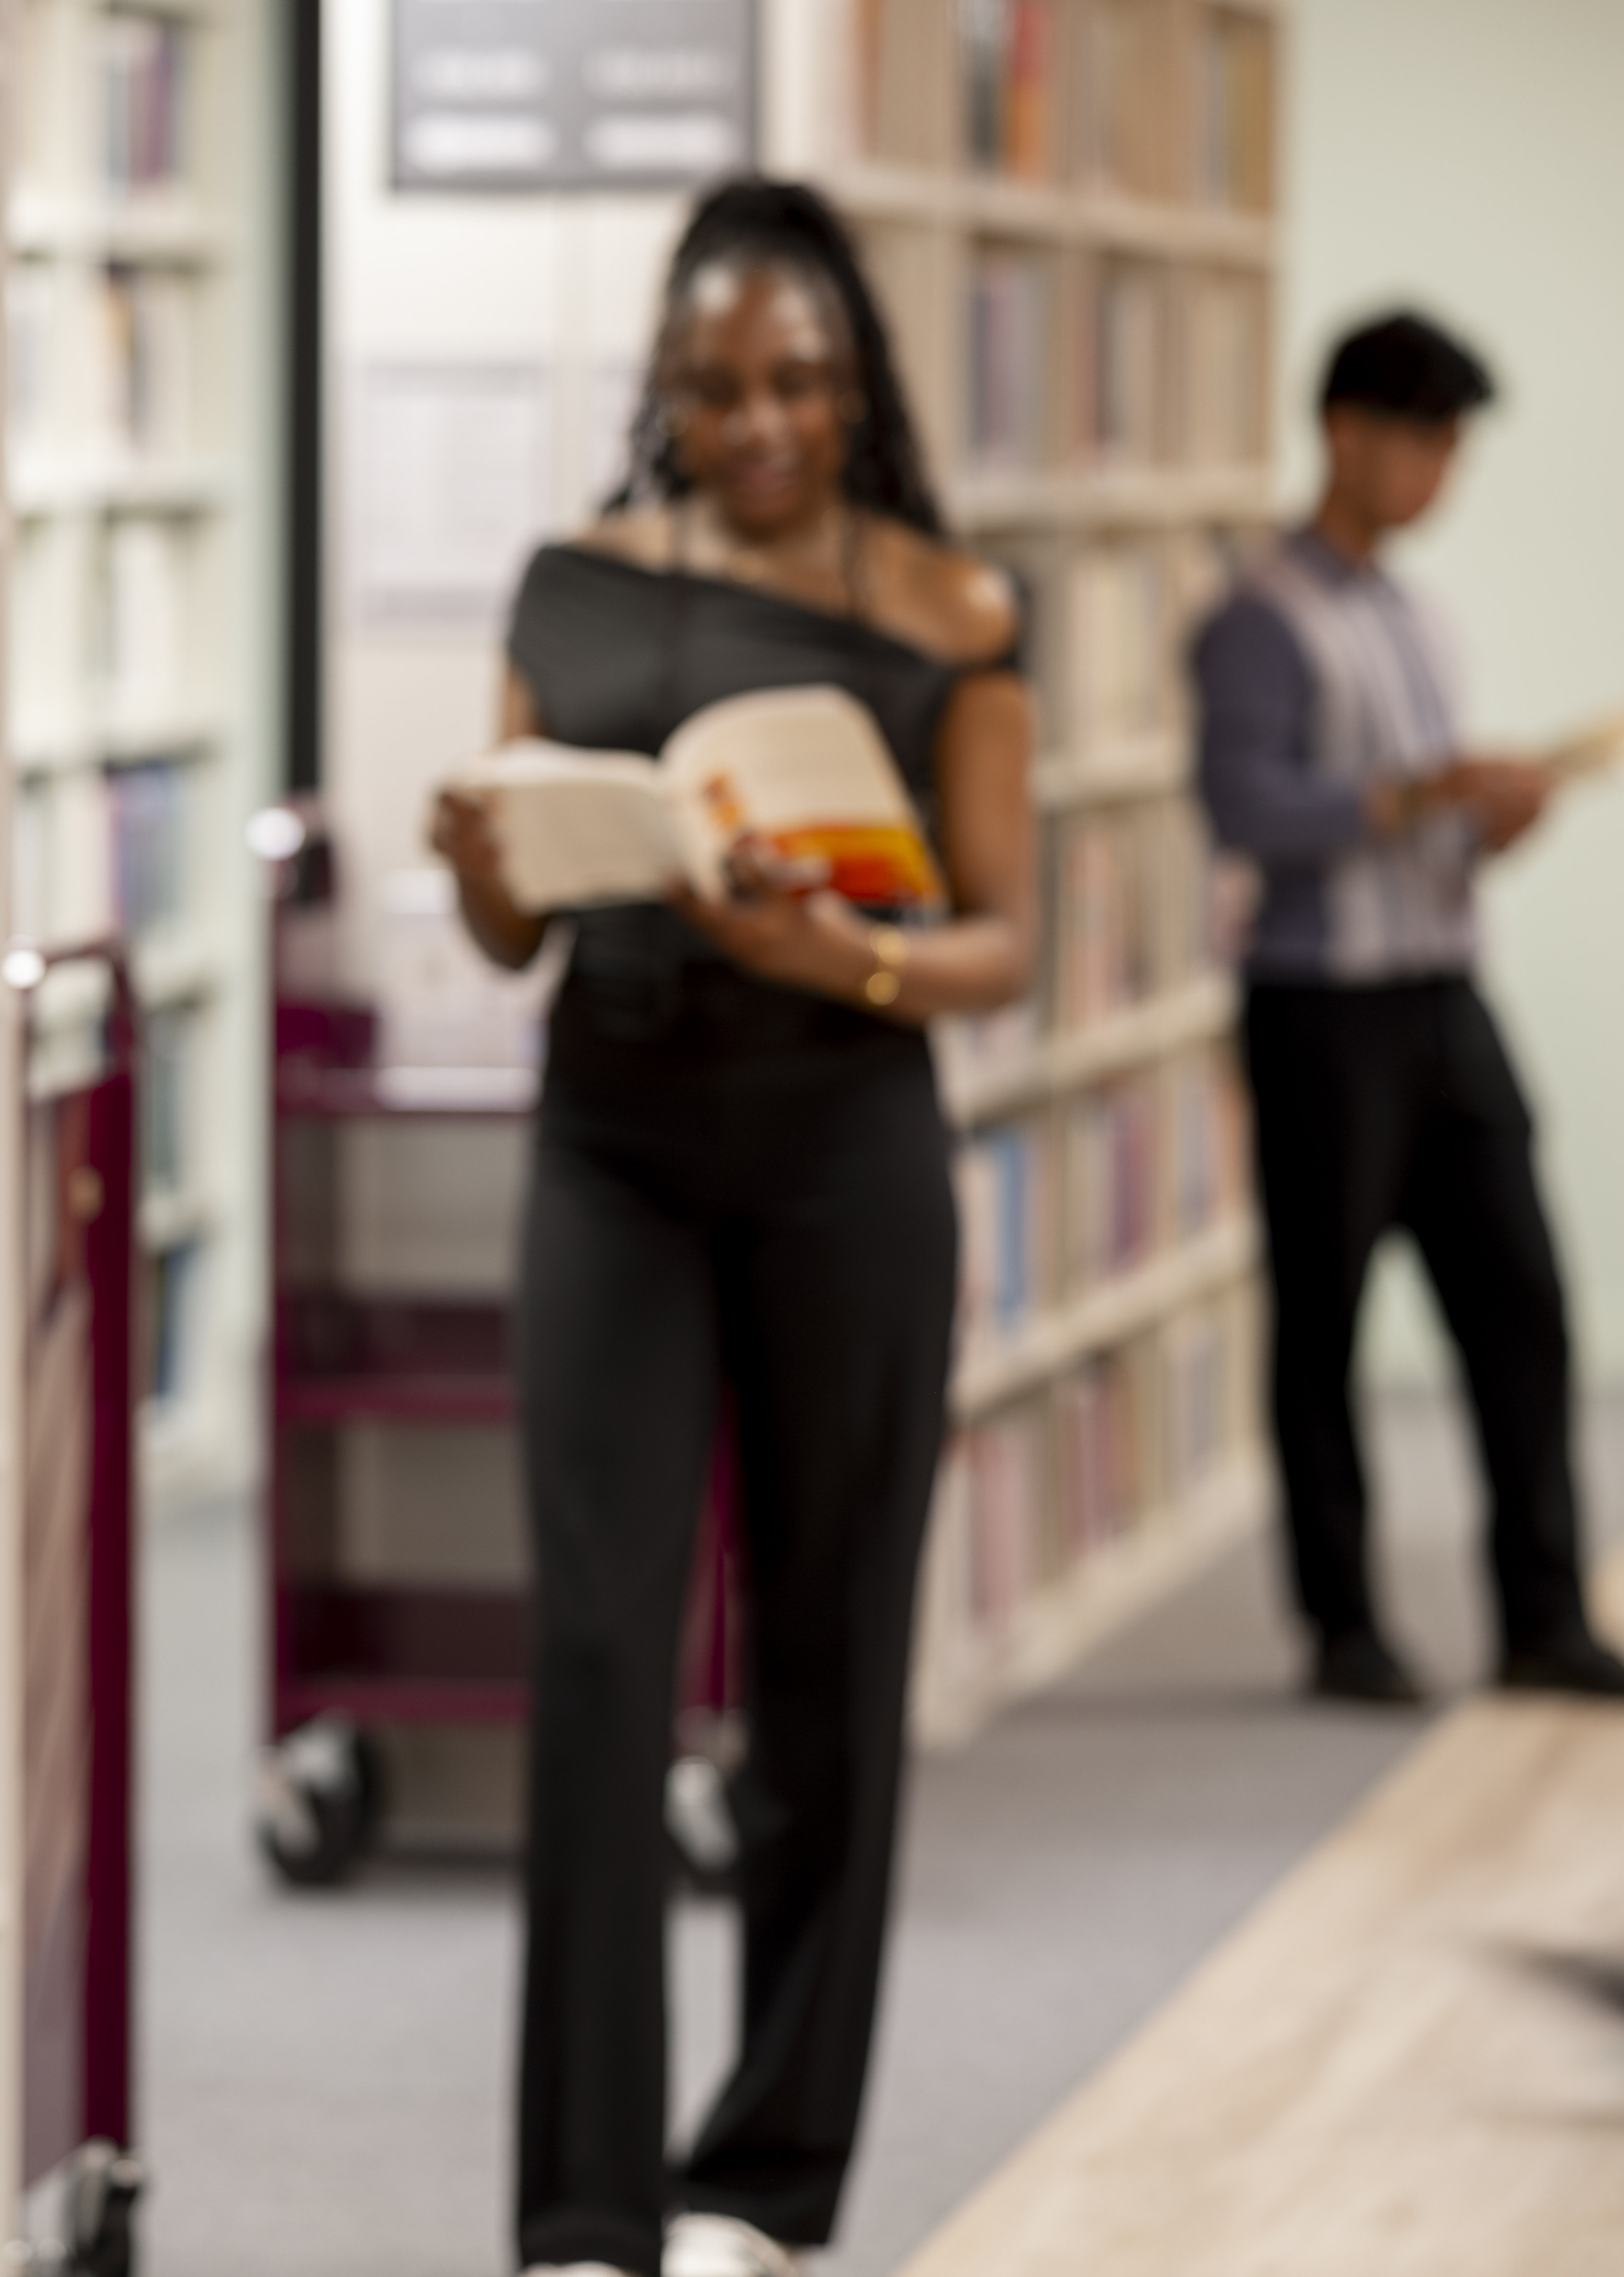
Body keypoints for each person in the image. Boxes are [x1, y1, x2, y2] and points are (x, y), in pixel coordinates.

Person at [429, 178, 1036, 2277]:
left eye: (792, 382)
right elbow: (512, 928)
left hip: (840, 1152)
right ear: (663, 394)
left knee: (823, 1662)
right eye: (713, 387)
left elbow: (1000, 948)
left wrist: (829, 959)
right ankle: (583, 2212)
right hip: (610, 1146)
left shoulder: (953, 612)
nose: (755, 422)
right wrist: (481, 853)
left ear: (851, 382)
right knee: (598, 1660)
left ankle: (762, 2186)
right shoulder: (571, 584)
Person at [1187, 308, 1624, 1709]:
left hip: (1445, 995)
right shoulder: (1257, 620)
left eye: (1455, 452)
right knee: (1323, 1324)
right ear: (1348, 433)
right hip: (1318, 1011)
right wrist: (1414, 797)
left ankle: (1546, 1613)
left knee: (1522, 1300)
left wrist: (1494, 818)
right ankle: (1341, 1625)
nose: (1441, 478)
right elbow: (1241, 806)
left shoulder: (1420, 615)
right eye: (1427, 443)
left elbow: (1419, 827)